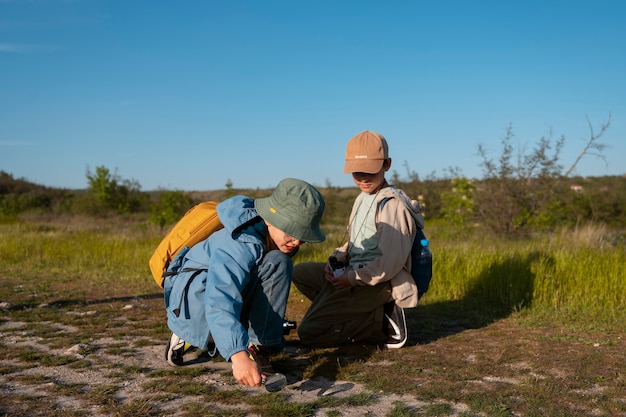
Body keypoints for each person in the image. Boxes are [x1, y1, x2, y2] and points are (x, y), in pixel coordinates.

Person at [163, 178, 325, 388]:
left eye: (303, 236)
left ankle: (258, 348)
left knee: (279, 262)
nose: (296, 241)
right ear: (269, 219)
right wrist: (238, 357)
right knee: (212, 327)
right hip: (197, 302)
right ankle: (188, 333)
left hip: (229, 293)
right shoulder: (239, 243)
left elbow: (265, 282)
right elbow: (220, 298)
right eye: (291, 231)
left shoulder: (278, 241)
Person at [292, 130, 424, 349]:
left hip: (379, 282)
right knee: (300, 273)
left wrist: (351, 279)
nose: (363, 178)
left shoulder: (392, 205)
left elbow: (388, 265)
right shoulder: (361, 198)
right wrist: (336, 259)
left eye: (370, 171)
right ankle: (354, 310)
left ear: (387, 164)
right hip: (353, 272)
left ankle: (378, 324)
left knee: (308, 333)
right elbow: (355, 240)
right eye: (356, 172)